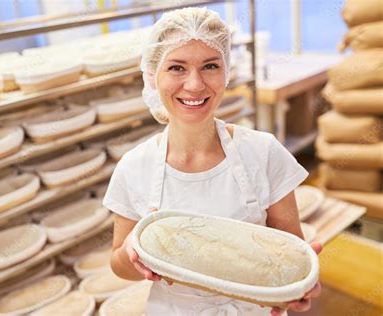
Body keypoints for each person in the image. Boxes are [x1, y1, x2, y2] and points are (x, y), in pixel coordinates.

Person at [103, 7, 321, 316]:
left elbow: (290, 255)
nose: (194, 85)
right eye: (177, 68)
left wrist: (300, 284)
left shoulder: (263, 152)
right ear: (153, 77)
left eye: (210, 66)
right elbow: (118, 265)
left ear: (227, 71)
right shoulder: (133, 167)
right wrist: (130, 255)